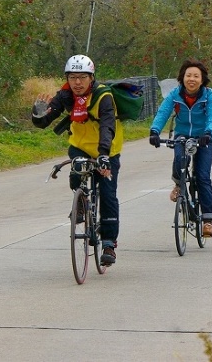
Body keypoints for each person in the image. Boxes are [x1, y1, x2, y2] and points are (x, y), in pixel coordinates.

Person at [31, 54, 122, 266]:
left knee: (108, 195)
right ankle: (81, 203)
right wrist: (38, 113)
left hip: (107, 149)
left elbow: (108, 126)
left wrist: (103, 155)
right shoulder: (65, 95)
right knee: (76, 172)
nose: (77, 83)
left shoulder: (103, 96)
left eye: (82, 77)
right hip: (80, 146)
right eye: (72, 77)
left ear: (92, 78)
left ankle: (109, 243)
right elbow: (44, 121)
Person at [149, 59, 212, 237]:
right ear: (182, 78)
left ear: (202, 79)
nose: (192, 79)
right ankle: (178, 185)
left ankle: (208, 221)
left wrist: (208, 132)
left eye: (196, 76)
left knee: (202, 176)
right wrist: (155, 131)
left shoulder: (209, 95)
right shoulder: (175, 94)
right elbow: (163, 112)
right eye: (188, 75)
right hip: (182, 135)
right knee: (179, 159)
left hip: (204, 137)